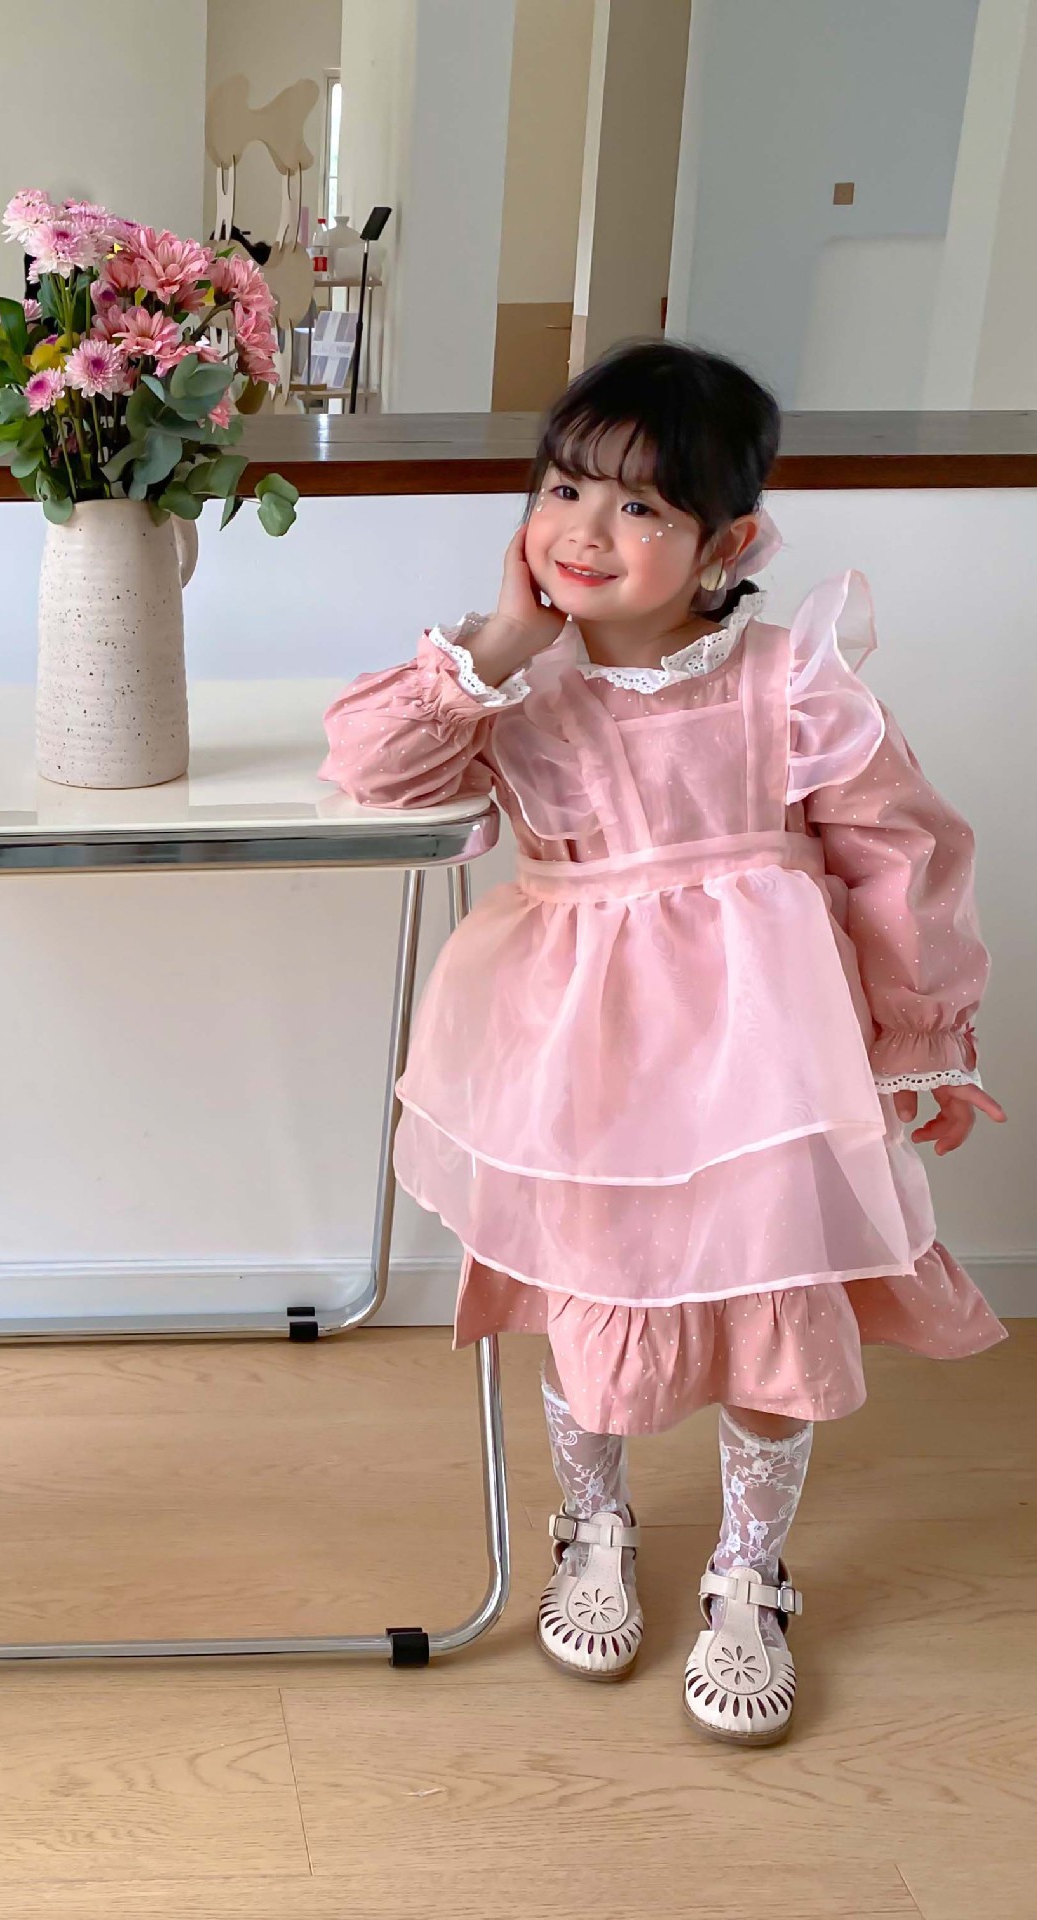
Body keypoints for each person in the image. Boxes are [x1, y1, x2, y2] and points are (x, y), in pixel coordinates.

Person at [319, 343, 1005, 1744]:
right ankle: (593, 1522)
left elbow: (900, 856)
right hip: (583, 1056)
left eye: (639, 507)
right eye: (563, 488)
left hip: (768, 1060)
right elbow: (370, 770)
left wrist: (924, 1035)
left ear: (726, 544)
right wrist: (498, 645)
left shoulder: (788, 683)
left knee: (773, 1298)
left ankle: (751, 1568)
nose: (585, 529)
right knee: (594, 1284)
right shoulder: (512, 686)